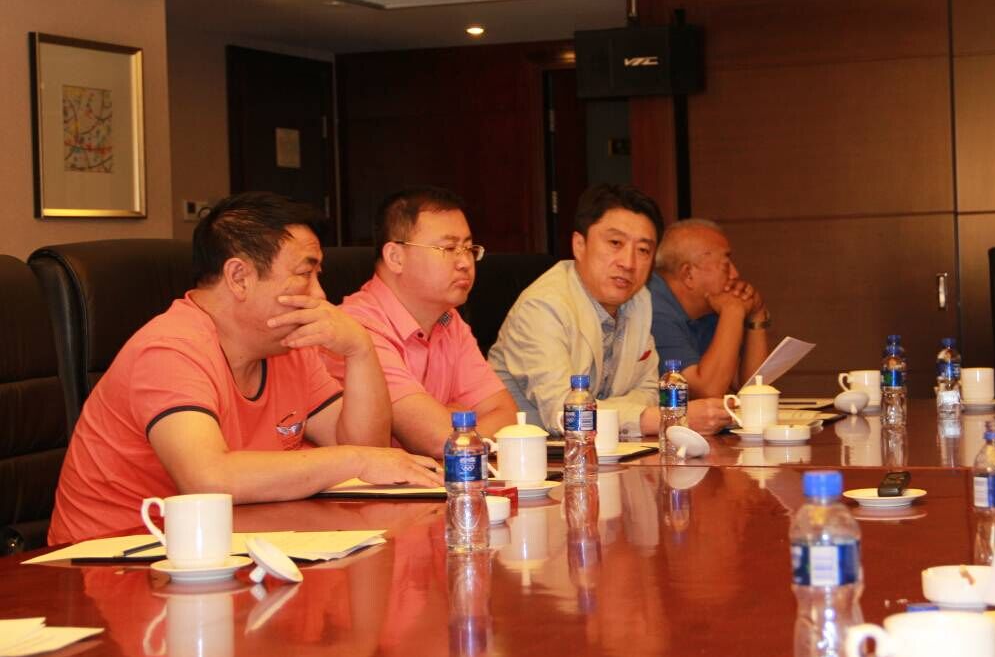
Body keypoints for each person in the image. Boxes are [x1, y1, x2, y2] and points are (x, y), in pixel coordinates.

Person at [49, 192, 440, 545]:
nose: (320, 294)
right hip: (111, 562)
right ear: (239, 277)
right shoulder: (169, 349)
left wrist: (359, 350)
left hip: (226, 548)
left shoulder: (289, 345)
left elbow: (365, 449)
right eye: (305, 274)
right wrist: (356, 460)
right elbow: (208, 478)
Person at [488, 184, 732, 438]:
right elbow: (566, 414)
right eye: (615, 243)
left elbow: (649, 391)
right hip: (534, 456)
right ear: (579, 245)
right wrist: (668, 418)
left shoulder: (638, 300)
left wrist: (608, 411)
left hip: (611, 450)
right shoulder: (542, 307)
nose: (628, 263)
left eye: (643, 250)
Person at [325, 187, 517, 459]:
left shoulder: (449, 320)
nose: (465, 262)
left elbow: (507, 417)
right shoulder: (357, 328)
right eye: (449, 248)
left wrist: (452, 423)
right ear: (395, 257)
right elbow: (439, 440)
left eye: (469, 248)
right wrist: (454, 415)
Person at [649, 219, 771, 398]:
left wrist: (756, 315)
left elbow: (752, 388)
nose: (735, 274)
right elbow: (706, 390)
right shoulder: (652, 309)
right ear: (688, 274)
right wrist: (732, 311)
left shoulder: (707, 310)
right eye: (726, 265)